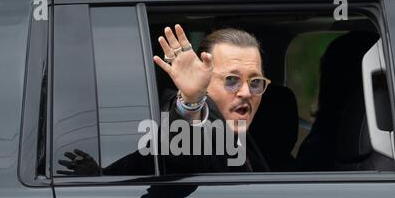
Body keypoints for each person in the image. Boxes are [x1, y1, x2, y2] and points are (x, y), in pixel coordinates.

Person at [57, 25, 271, 176]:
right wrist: (191, 101)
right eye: (231, 80)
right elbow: (180, 149)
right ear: (202, 79)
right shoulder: (201, 128)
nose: (245, 92)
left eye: (255, 82)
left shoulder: (249, 137)